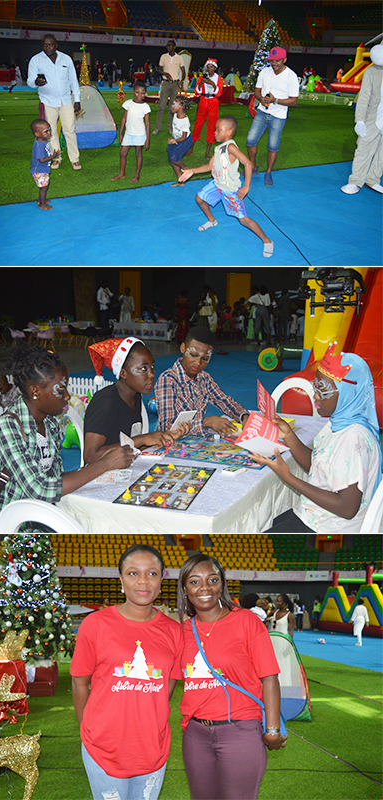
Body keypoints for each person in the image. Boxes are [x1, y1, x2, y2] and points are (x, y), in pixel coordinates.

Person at [70, 544, 184, 800]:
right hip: (102, 747)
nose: (143, 581)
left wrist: (144, 716)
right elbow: (79, 683)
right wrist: (86, 728)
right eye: (133, 573)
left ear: (162, 579)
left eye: (152, 573)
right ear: (120, 579)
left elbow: (168, 685)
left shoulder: (173, 630)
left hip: (151, 746)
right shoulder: (95, 624)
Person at [0, 343, 134, 532]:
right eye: (60, 391)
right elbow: (41, 489)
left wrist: (103, 465)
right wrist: (104, 465)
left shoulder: (50, 423)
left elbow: (55, 478)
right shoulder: (7, 428)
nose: (67, 396)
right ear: (35, 392)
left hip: (37, 515)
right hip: (4, 525)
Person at [177, 553, 287, 800]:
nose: (204, 587)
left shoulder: (246, 621)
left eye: (212, 580)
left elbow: (269, 678)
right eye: (195, 582)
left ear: (222, 584)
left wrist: (272, 730)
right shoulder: (181, 630)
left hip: (240, 731)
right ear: (185, 589)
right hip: (195, 734)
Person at [252, 345, 382, 533]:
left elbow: (347, 508)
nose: (315, 396)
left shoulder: (353, 438)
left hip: (329, 527)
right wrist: (288, 435)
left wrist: (288, 477)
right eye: (315, 387)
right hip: (316, 515)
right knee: (268, 522)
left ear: (346, 393)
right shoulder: (339, 422)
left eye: (322, 391)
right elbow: (319, 466)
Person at [180, 115, 274, 258]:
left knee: (244, 220)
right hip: (217, 184)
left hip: (230, 190)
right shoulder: (218, 148)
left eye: (218, 130)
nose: (215, 132)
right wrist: (191, 171)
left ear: (229, 132)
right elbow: (208, 166)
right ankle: (212, 221)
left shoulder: (230, 147)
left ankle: (267, 241)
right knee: (199, 199)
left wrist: (246, 186)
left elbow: (248, 163)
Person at [84, 337, 190, 464]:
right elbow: (90, 456)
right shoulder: (105, 402)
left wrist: (164, 436)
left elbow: (132, 445)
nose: (151, 374)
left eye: (152, 367)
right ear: (123, 373)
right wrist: (143, 439)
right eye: (143, 368)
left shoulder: (135, 395)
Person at [155, 325, 249, 437]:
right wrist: (206, 422)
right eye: (193, 355)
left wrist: (243, 416)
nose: (198, 363)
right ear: (183, 348)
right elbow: (168, 428)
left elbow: (225, 402)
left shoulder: (204, 378)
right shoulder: (168, 380)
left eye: (204, 359)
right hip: (172, 444)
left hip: (197, 441)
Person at [27, 34, 82, 171]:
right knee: (50, 132)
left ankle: (75, 159)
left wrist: (77, 100)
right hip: (47, 101)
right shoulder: (36, 60)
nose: (47, 47)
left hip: (66, 101)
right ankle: (56, 158)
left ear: (56, 45)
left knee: (70, 130)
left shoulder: (66, 59)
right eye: (45, 45)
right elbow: (30, 80)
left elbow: (73, 81)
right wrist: (36, 82)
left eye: (50, 45)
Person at [246, 47, 299, 187]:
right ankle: (253, 167)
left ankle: (268, 173)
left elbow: (294, 100)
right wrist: (261, 99)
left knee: (272, 146)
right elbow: (257, 91)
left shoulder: (291, 76)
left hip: (278, 116)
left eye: (277, 60)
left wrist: (275, 100)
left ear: (284, 60)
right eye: (272, 60)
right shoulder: (264, 72)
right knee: (250, 140)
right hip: (262, 112)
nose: (274, 63)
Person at [341, 43, 383, 195]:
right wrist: (360, 120)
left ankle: (373, 180)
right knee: (364, 149)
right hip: (374, 117)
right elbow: (364, 97)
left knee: (382, 153)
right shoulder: (372, 71)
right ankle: (355, 181)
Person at [111, 81, 150, 184]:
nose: (139, 95)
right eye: (137, 92)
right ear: (133, 92)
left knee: (138, 153)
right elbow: (124, 119)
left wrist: (147, 139)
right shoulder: (128, 103)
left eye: (142, 93)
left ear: (145, 94)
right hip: (128, 133)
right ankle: (121, 173)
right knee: (122, 153)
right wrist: (120, 133)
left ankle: (137, 175)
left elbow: (147, 124)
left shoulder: (145, 106)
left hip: (140, 134)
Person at [185, 58, 224, 160]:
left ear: (215, 68)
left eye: (211, 67)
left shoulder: (218, 78)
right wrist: (202, 83)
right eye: (208, 67)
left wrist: (212, 84)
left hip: (213, 102)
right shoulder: (202, 77)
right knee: (197, 125)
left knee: (212, 126)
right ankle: (190, 149)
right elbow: (197, 92)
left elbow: (219, 93)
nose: (209, 69)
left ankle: (207, 152)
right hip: (203, 100)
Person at [152, 40, 185, 136]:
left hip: (175, 84)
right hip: (166, 83)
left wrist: (181, 81)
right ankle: (157, 128)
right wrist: (165, 73)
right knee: (161, 106)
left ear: (174, 47)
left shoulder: (179, 58)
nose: (168, 47)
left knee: (173, 107)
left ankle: (170, 128)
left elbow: (183, 71)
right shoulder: (163, 56)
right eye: (167, 46)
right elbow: (159, 69)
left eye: (170, 45)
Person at [29, 118, 61, 211]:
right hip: (39, 169)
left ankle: (41, 200)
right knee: (43, 187)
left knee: (46, 185)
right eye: (46, 131)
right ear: (37, 134)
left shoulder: (42, 140)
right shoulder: (39, 145)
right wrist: (53, 156)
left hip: (42, 169)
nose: (49, 133)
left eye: (49, 130)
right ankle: (42, 204)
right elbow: (42, 160)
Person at [166, 96, 193, 186]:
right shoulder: (175, 115)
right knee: (172, 159)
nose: (172, 106)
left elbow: (184, 137)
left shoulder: (185, 120)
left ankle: (185, 167)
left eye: (174, 104)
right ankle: (181, 181)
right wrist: (173, 139)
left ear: (181, 106)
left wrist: (174, 140)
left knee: (174, 158)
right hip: (177, 140)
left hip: (185, 141)